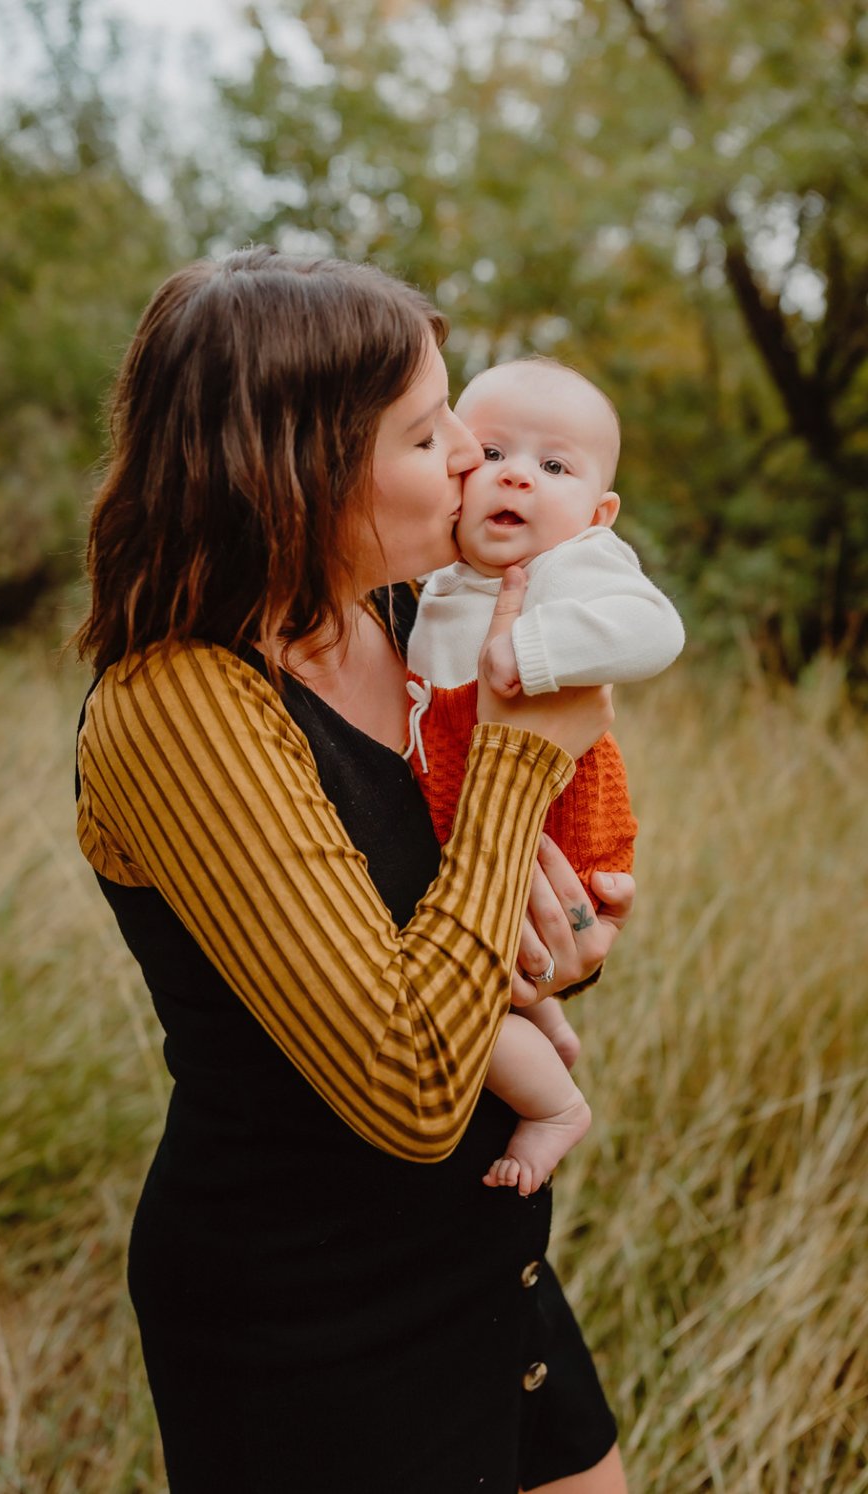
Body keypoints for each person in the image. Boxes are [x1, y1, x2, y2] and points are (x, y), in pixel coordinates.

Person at [72, 250, 633, 1492]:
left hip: (486, 1260)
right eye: (427, 433)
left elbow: (466, 925)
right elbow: (407, 1081)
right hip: (309, 1323)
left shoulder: (392, 625)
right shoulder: (179, 706)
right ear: (298, 467)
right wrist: (514, 770)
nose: (468, 461)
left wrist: (566, 951)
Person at [404, 356, 685, 1196]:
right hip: (476, 811)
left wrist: (534, 651)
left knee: (463, 990)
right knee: (464, 962)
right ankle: (550, 1020)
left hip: (556, 823)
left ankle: (557, 1106)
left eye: (554, 466)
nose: (517, 473)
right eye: (490, 452)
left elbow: (654, 629)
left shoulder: (575, 565)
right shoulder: (438, 581)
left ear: (597, 512)